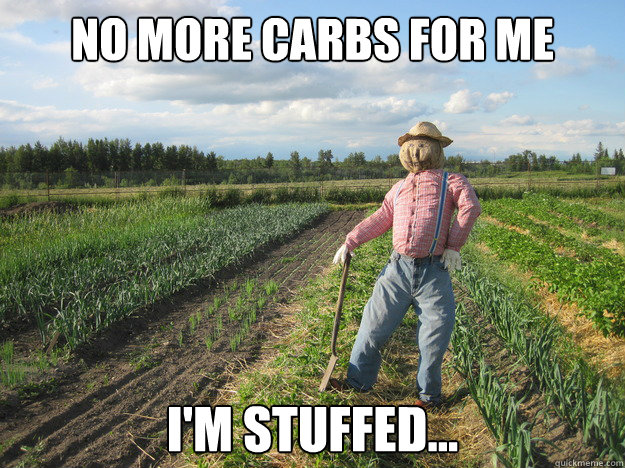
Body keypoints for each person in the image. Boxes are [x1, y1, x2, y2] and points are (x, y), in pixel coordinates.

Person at [331, 121, 481, 408]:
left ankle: (428, 397)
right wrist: (351, 241)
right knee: (372, 327)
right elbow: (382, 217)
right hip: (397, 270)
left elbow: (470, 207)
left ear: (437, 149)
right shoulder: (399, 187)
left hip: (433, 271)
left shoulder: (452, 181)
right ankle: (357, 382)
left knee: (434, 336)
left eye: (423, 144)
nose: (416, 150)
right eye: (411, 145)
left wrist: (454, 245)